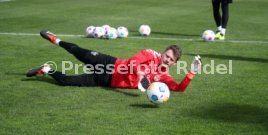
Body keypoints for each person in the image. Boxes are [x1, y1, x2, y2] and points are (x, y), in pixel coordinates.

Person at [26, 30, 202, 92]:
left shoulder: (164, 77)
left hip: (106, 80)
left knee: (67, 82)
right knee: (78, 52)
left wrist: (192, 73)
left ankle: (46, 69)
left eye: (171, 59)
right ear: (163, 53)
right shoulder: (150, 54)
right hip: (109, 63)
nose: (167, 59)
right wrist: (141, 75)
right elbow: (133, 62)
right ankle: (55, 39)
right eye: (166, 55)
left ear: (173, 63)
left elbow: (178, 89)